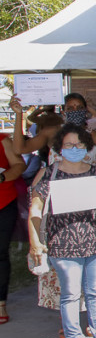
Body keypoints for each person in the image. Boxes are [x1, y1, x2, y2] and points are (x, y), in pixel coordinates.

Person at [28, 125, 96, 338]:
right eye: (68, 145)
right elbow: (35, 209)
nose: (74, 149)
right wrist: (35, 242)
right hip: (63, 244)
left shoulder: (95, 172)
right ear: (59, 148)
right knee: (70, 294)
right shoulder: (49, 174)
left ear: (87, 147)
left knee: (95, 292)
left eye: (79, 145)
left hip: (95, 242)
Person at [0, 130, 25, 325]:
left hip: (3, 204)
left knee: (0, 254)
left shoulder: (3, 140)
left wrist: (2, 178)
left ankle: (1, 304)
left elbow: (19, 165)